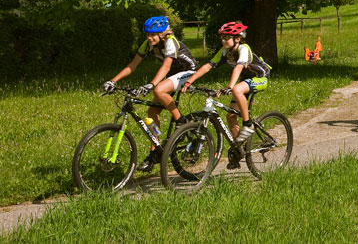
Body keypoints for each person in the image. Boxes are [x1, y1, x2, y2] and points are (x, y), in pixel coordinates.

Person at [103, 15, 197, 171]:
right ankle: (155, 153)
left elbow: (166, 67)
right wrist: (113, 81)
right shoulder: (147, 45)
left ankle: (181, 121)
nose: (149, 38)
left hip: (189, 71)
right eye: (147, 34)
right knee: (152, 112)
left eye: (153, 35)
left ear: (162, 34)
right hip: (174, 74)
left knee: (159, 90)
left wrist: (151, 84)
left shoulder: (170, 42)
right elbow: (132, 65)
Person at [183, 21, 271, 169]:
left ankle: (248, 124)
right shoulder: (225, 51)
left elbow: (238, 68)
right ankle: (239, 150)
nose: (223, 40)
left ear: (237, 38)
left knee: (236, 89)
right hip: (245, 80)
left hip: (260, 77)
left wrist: (230, 87)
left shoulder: (244, 49)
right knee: (230, 116)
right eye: (222, 37)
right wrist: (188, 82)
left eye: (227, 37)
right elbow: (208, 66)